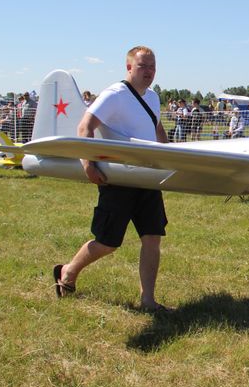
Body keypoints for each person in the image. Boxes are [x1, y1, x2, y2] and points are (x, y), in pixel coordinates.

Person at [52, 46, 170, 312]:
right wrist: (88, 163)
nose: (149, 71)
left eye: (152, 66)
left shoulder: (152, 98)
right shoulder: (115, 94)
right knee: (107, 242)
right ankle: (68, 272)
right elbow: (85, 126)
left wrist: (170, 162)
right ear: (129, 68)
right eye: (142, 66)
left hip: (147, 179)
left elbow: (157, 129)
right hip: (118, 178)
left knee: (152, 238)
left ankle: (148, 300)